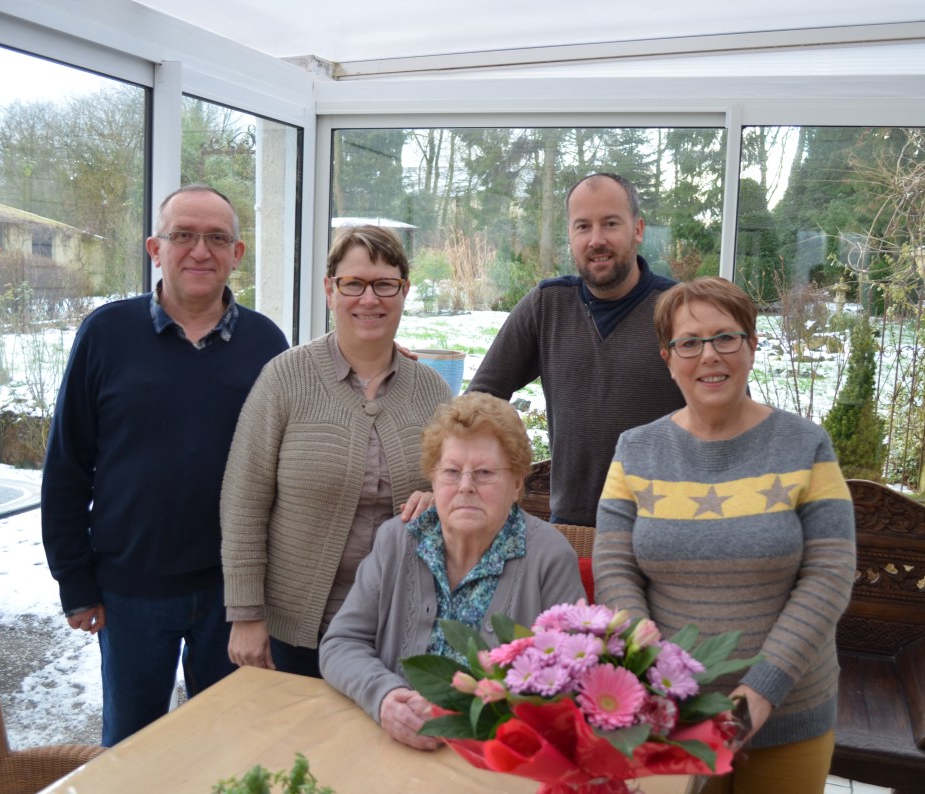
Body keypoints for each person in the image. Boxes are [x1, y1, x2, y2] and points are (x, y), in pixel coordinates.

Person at [41, 184, 290, 746]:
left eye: (216, 238)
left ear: (237, 253)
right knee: (131, 751)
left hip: (235, 591)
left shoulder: (266, 344)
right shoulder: (106, 334)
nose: (200, 251)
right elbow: (66, 464)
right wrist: (74, 579)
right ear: (155, 247)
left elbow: (295, 444)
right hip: (131, 592)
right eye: (183, 236)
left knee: (227, 745)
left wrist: (376, 360)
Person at [593, 277, 856, 794]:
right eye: (689, 342)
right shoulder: (635, 450)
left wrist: (759, 693)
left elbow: (829, 574)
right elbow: (614, 567)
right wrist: (649, 667)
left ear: (752, 346)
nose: (708, 356)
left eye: (725, 338)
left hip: (788, 711)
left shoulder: (806, 445)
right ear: (668, 357)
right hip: (674, 716)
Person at [220, 225, 452, 679]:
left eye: (385, 284)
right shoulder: (285, 379)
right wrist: (246, 616)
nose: (370, 299)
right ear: (330, 290)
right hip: (297, 628)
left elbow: (469, 488)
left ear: (404, 292)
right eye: (353, 284)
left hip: (400, 628)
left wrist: (440, 502)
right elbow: (244, 502)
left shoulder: (432, 393)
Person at [319, 392, 586, 750]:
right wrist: (385, 697)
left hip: (499, 757)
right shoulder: (398, 541)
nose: (465, 486)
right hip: (392, 746)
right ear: (432, 477)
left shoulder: (549, 557)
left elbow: (574, 678)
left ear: (518, 483)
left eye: (485, 473)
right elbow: (341, 643)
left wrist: (461, 713)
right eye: (451, 471)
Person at [467, 172, 686, 528]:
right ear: (570, 235)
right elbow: (479, 399)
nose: (596, 240)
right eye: (582, 227)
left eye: (610, 223)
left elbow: (730, 415)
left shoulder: (679, 309)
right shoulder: (547, 305)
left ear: (638, 229)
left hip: (663, 533)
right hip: (570, 531)